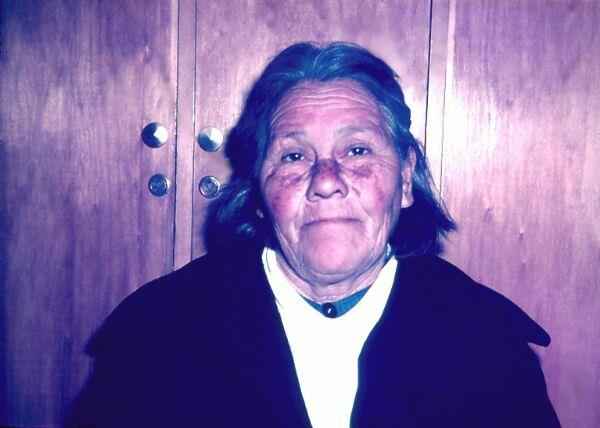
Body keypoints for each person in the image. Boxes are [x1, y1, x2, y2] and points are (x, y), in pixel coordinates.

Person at [66, 42, 560, 427]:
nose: (326, 181)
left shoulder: (486, 344)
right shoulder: (155, 338)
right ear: (258, 190)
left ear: (406, 178)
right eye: (294, 156)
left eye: (357, 151)